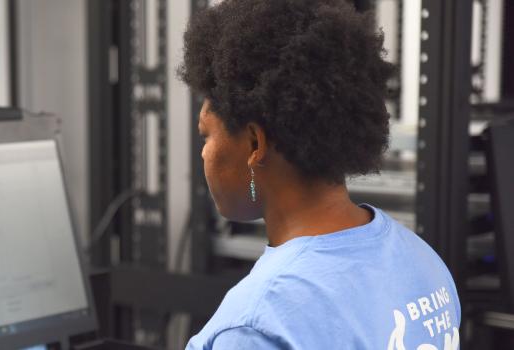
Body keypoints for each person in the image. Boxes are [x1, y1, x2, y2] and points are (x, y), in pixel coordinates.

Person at [177, 0, 461, 349]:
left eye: (206, 134)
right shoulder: (423, 262)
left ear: (254, 143)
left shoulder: (257, 327)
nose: (204, 152)